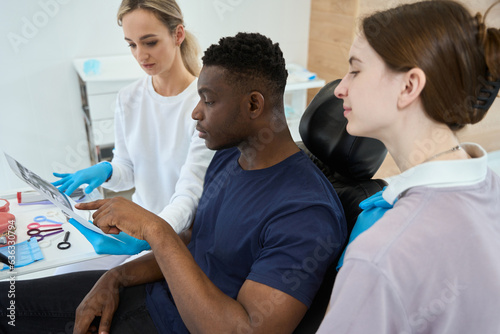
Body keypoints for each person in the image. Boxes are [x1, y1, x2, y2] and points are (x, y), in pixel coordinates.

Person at [0, 32, 347, 334]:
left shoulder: (306, 213)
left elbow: (242, 330)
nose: (196, 112)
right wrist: (115, 278)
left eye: (208, 101)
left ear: (254, 104)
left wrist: (154, 229)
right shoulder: (229, 158)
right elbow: (194, 242)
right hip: (152, 296)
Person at [317, 1, 500, 333]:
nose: (340, 88)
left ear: (409, 86)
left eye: (355, 70)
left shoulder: (380, 257)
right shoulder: (490, 190)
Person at [53, 0, 214, 271]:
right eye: (132, 44)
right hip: (134, 222)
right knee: (61, 273)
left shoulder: (203, 105)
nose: (141, 55)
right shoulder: (128, 98)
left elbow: (191, 193)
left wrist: (150, 234)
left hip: (177, 234)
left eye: (150, 42)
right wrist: (106, 170)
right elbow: (127, 170)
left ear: (178, 35)